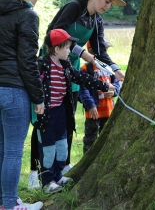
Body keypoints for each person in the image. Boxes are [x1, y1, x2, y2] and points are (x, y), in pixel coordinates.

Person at [28, 0, 126, 187]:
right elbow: (53, 33)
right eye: (106, 0)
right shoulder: (74, 6)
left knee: (66, 117)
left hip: (70, 71)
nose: (108, 6)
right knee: (44, 121)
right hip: (51, 66)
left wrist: (115, 70)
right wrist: (82, 52)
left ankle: (63, 165)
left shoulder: (96, 20)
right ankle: (35, 172)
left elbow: (99, 52)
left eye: (111, 3)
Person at [34, 28, 115, 194]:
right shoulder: (42, 65)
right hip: (47, 116)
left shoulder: (66, 65)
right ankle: (47, 181)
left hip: (61, 114)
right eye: (67, 47)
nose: (70, 51)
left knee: (62, 146)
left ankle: (58, 176)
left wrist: (104, 85)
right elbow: (33, 85)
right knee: (48, 149)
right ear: (57, 49)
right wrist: (38, 102)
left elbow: (81, 77)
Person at [0, 0, 45, 210]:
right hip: (14, 89)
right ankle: (9, 205)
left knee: (1, 149)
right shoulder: (28, 15)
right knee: (13, 152)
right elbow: (27, 61)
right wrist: (39, 97)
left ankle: (3, 201)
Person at [79, 40, 120, 153]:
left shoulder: (110, 67)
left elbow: (116, 84)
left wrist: (114, 91)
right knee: (90, 140)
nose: (105, 53)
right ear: (91, 51)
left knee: (107, 139)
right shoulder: (85, 69)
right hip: (94, 112)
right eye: (102, 50)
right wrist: (90, 105)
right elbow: (83, 90)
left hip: (108, 111)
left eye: (105, 51)